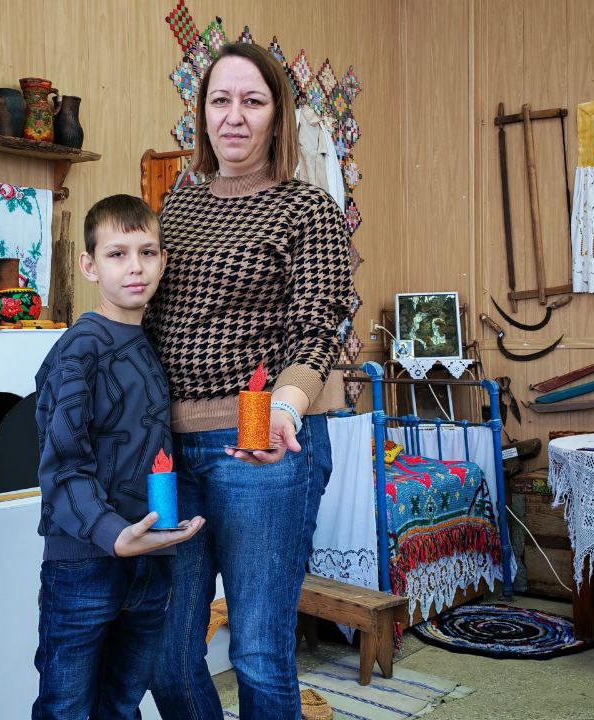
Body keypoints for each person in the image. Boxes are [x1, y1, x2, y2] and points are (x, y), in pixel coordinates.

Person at [144, 42, 354, 719]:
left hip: (261, 448)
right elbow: (148, 321)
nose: (234, 116)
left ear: (277, 115)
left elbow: (317, 330)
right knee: (166, 657)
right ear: (202, 114)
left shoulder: (309, 210)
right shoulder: (175, 210)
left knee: (259, 654)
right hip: (169, 457)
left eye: (252, 101)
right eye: (220, 100)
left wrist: (285, 410)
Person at [32, 194, 207, 720]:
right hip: (84, 564)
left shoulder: (153, 345)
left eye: (147, 252)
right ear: (89, 266)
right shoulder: (80, 347)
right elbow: (63, 462)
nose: (135, 267)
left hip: (151, 562)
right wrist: (111, 533)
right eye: (117, 254)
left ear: (163, 261)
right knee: (65, 709)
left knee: (123, 705)